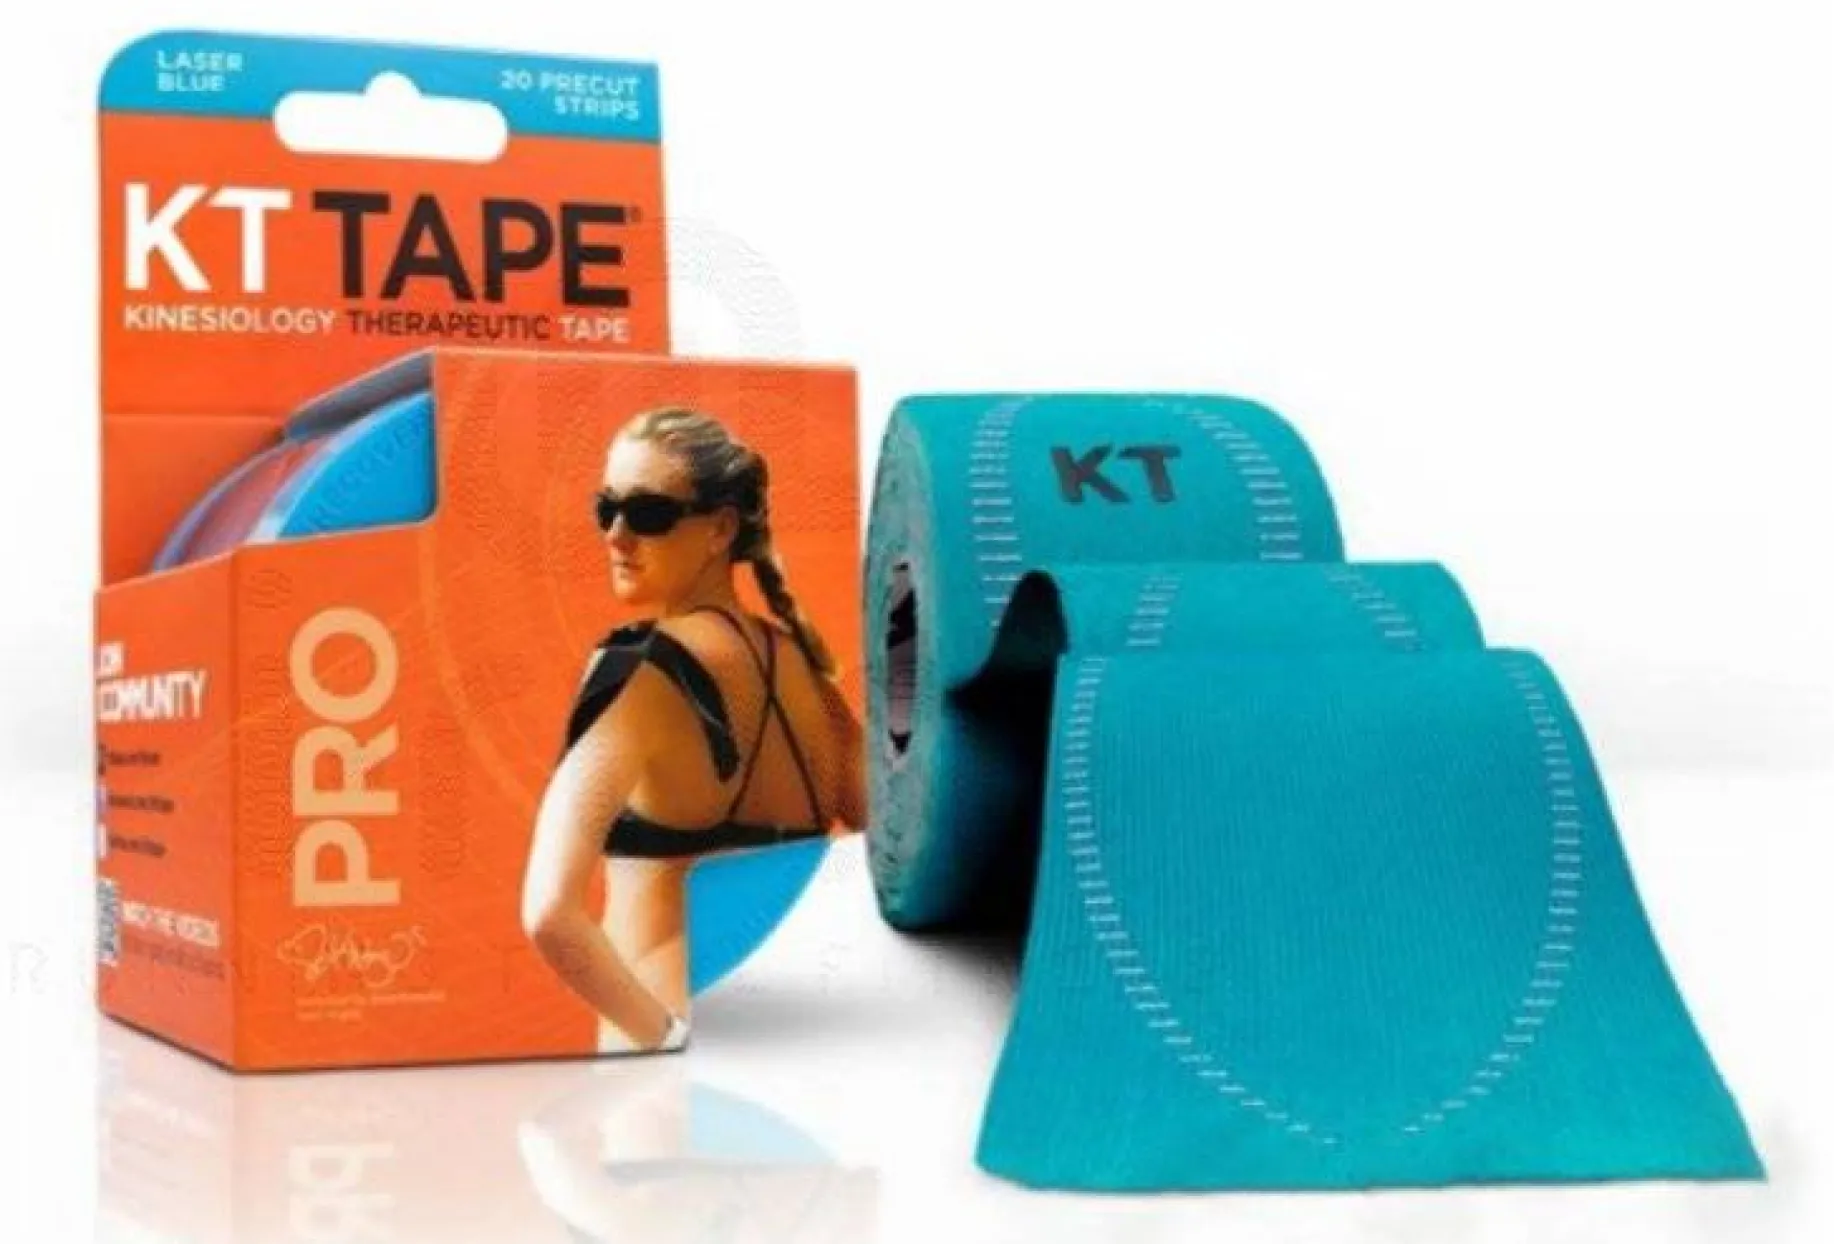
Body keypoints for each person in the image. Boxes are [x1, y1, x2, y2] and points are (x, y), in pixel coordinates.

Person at [522, 407, 865, 1052]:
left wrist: (662, 1040)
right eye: (606, 509)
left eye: (648, 513)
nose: (617, 536)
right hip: (801, 1048)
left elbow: (549, 914)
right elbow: (893, 852)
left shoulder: (640, 669)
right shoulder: (807, 675)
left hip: (661, 1056)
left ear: (721, 529)